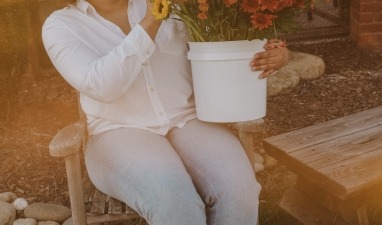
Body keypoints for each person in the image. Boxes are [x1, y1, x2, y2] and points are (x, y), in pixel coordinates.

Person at [42, 0, 288, 224]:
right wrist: (150, 22)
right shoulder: (61, 26)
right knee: (176, 202)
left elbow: (218, 43)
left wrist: (269, 52)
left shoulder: (173, 6)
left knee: (239, 189)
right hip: (117, 132)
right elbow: (101, 86)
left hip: (188, 120)